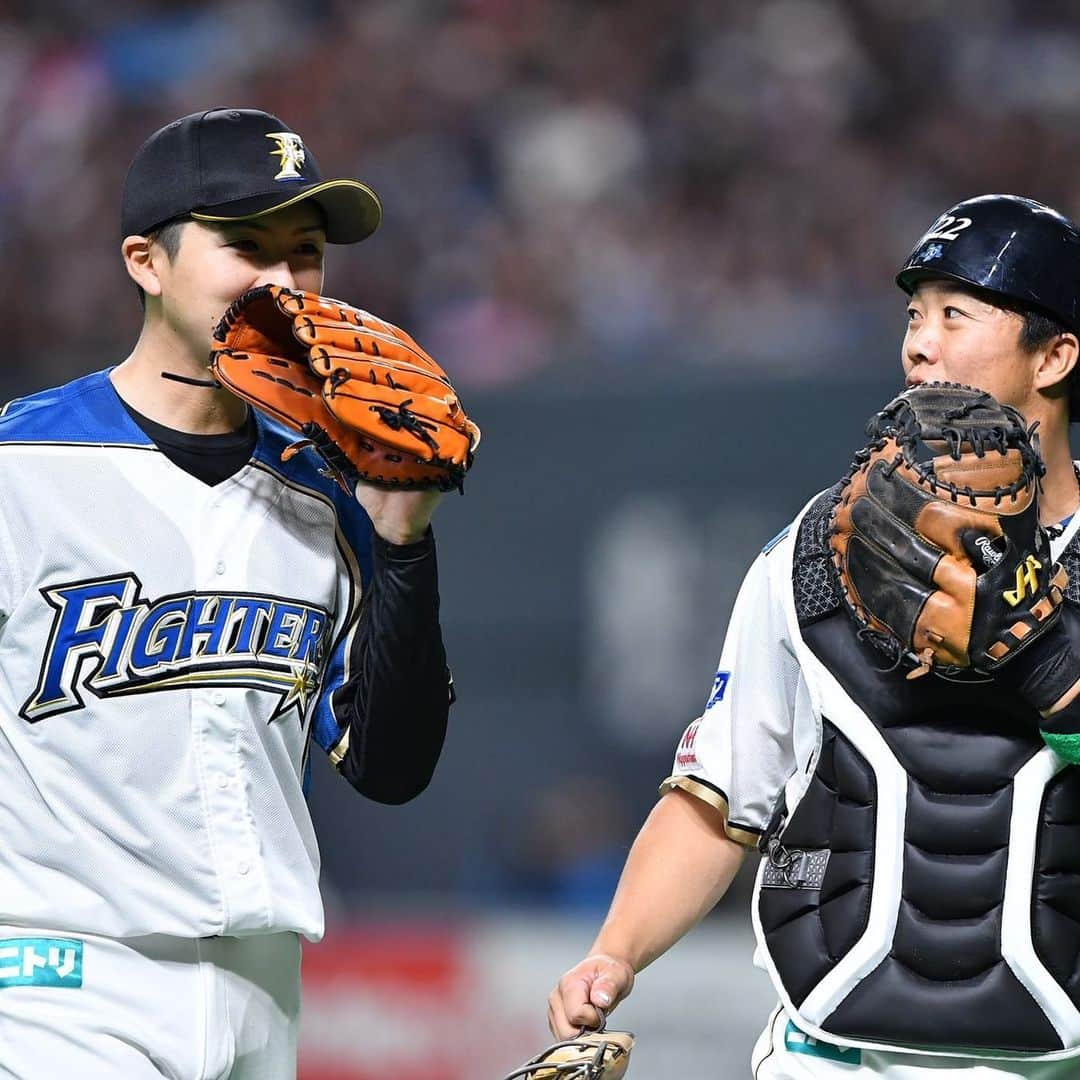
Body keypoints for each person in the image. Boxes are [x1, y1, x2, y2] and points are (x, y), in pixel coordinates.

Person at [548, 195, 1080, 1078]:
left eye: (956, 313)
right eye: (913, 316)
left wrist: (1054, 670)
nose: (919, 343)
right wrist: (617, 951)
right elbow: (720, 794)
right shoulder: (818, 550)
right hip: (831, 1055)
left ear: (1056, 354)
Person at [0, 107, 455, 1078]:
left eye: (306, 252)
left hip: (262, 993)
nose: (284, 283)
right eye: (246, 246)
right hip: (59, 982)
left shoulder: (330, 489)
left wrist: (405, 542)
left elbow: (389, 765)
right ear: (145, 261)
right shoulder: (20, 467)